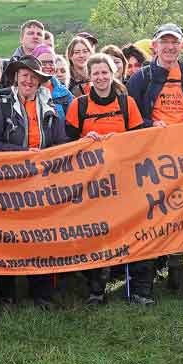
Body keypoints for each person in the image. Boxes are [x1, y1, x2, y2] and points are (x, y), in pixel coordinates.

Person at [127, 23, 183, 289]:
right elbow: (131, 117)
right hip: (150, 158)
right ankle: (148, 271)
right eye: (165, 42)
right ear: (155, 46)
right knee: (151, 212)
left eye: (175, 42)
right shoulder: (141, 78)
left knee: (180, 211)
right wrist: (150, 124)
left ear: (182, 47)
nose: (170, 47)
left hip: (182, 159)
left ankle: (176, 269)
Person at [65, 54, 151, 304]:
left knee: (135, 229)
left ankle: (140, 289)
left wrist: (119, 141)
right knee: (97, 233)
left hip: (125, 179)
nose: (101, 78)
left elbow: (138, 140)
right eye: (96, 74)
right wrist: (84, 142)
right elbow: (66, 144)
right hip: (93, 183)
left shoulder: (127, 103)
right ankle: (96, 289)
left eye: (105, 73)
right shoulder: (78, 105)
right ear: (88, 77)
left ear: (113, 74)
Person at [0, 54, 67, 306]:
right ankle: (6, 293)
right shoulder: (3, 105)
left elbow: (61, 142)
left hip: (41, 181)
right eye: (24, 76)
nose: (28, 81)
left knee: (41, 236)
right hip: (11, 181)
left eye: (33, 77)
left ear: (40, 81)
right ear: (16, 78)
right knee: (9, 236)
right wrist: (21, 155)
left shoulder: (51, 106)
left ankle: (40, 291)